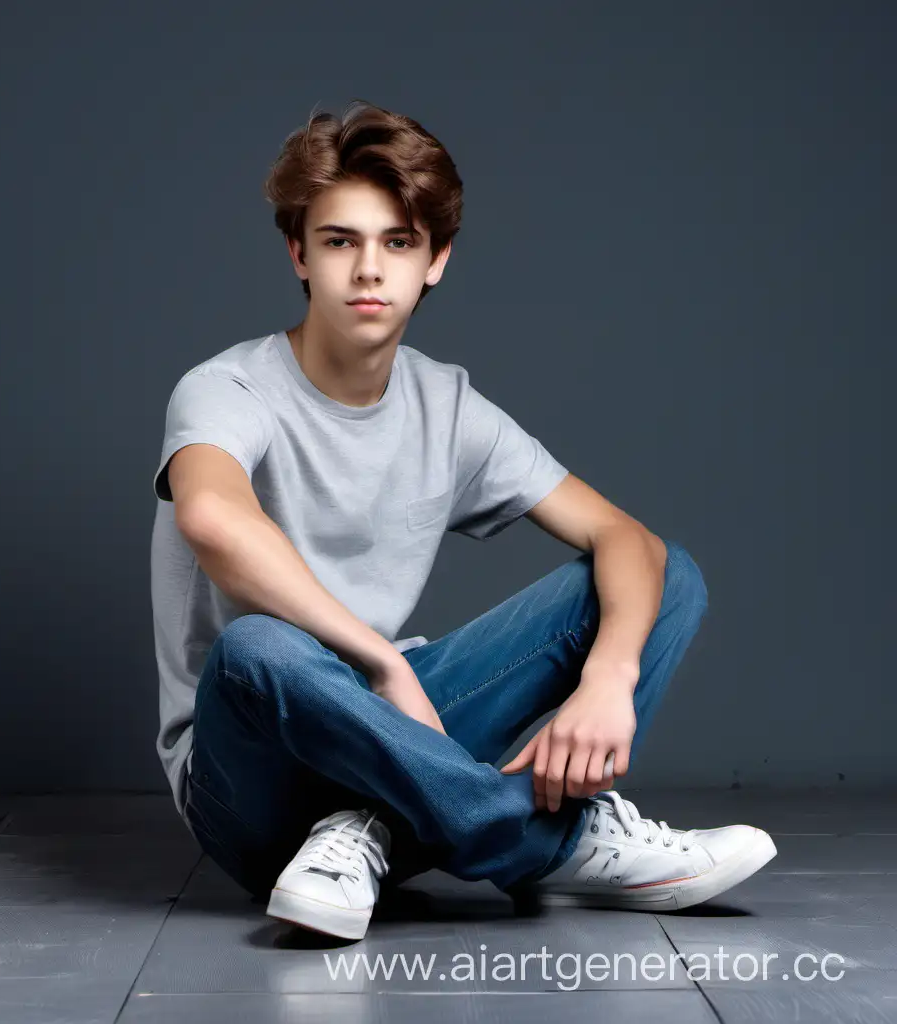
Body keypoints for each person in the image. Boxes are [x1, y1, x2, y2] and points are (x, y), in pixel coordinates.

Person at [149, 99, 776, 942]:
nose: (369, 270)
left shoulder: (447, 406)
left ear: (435, 260)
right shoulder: (226, 388)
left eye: (397, 243)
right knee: (258, 648)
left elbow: (626, 540)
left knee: (669, 579)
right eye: (340, 241)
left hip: (392, 742)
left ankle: (367, 826)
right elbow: (212, 518)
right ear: (298, 252)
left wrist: (608, 680)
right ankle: (546, 838)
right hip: (247, 782)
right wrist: (381, 663)